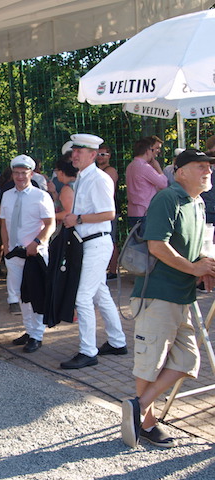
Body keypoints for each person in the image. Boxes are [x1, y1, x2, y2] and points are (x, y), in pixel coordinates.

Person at [122, 149, 215, 449]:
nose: (208, 171)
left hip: (182, 296)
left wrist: (204, 267)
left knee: (188, 360)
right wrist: (194, 268)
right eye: (200, 166)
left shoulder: (197, 202)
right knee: (150, 363)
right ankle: (147, 423)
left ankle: (138, 407)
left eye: (209, 167)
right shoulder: (168, 198)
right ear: (180, 172)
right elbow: (157, 246)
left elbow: (194, 246)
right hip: (157, 295)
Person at [62, 134, 127, 369]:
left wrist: (77, 218)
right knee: (100, 293)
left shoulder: (98, 178)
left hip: (96, 242)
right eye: (74, 151)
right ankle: (118, 342)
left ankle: (88, 351)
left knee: (83, 296)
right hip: (90, 242)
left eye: (79, 151)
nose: (74, 155)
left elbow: (109, 213)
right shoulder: (83, 177)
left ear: (92, 154)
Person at [0, 155, 55, 352]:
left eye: (24, 173)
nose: (20, 177)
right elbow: (4, 223)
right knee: (20, 294)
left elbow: (50, 224)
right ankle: (29, 329)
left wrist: (37, 243)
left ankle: (37, 335)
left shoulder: (41, 196)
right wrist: (5, 246)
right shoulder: (7, 195)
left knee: (35, 294)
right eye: (16, 173)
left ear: (31, 174)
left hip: (34, 254)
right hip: (13, 253)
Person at [126, 137, 167, 228]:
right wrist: (158, 168)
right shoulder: (144, 167)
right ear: (148, 151)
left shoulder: (130, 166)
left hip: (133, 212)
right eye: (153, 150)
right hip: (145, 212)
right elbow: (164, 184)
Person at [96, 143, 119, 279]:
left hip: (109, 211)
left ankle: (113, 270)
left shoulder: (110, 171)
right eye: (98, 154)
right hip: (100, 211)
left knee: (111, 239)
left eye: (103, 154)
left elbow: (108, 193)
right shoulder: (96, 171)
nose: (100, 157)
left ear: (109, 156)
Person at [47, 159, 78, 225]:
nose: (56, 174)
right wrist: (54, 192)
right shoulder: (77, 184)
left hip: (67, 227)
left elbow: (68, 213)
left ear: (61, 172)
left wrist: (49, 216)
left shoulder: (67, 189)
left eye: (56, 171)